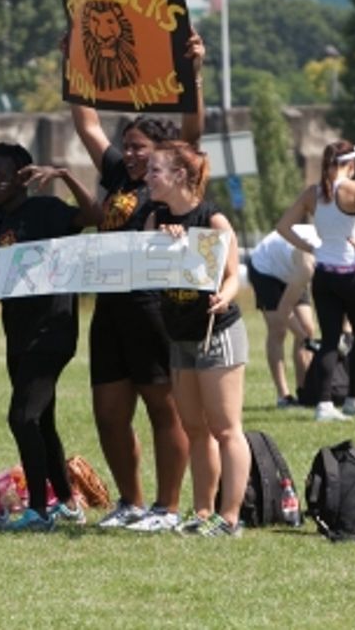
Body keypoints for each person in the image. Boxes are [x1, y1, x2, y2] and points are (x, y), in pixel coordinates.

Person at [68, 33, 204, 532]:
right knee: (108, 411)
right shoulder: (120, 175)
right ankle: (130, 502)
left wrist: (193, 71)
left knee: (162, 409)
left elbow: (193, 128)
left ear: (162, 153)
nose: (129, 155)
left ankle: (167, 508)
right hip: (109, 309)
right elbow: (85, 122)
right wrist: (74, 60)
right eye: (125, 146)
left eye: (139, 148)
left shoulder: (168, 178)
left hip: (152, 308)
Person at [0, 143, 101, 530]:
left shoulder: (46, 211)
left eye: (0, 176)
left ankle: (38, 509)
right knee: (42, 421)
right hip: (18, 334)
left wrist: (66, 176)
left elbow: (93, 215)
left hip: (51, 331)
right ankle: (67, 501)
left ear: (23, 178)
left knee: (22, 417)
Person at [144, 142, 249, 537]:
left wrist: (225, 296)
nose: (148, 178)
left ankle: (231, 517)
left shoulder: (214, 220)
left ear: (180, 177)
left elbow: (234, 274)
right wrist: (161, 236)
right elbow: (144, 259)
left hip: (217, 332)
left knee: (225, 428)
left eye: (156, 171)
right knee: (194, 428)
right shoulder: (155, 219)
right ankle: (203, 512)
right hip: (180, 335)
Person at [276, 140, 355, 422]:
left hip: (324, 275)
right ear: (350, 165)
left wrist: (312, 248)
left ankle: (324, 406)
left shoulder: (313, 193)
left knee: (329, 340)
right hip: (354, 275)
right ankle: (353, 400)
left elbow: (283, 227)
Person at [246, 225, 320, 408]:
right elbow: (282, 310)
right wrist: (305, 339)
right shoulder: (308, 264)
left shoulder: (334, 258)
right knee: (278, 329)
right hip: (265, 270)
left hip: (290, 271)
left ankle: (305, 392)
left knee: (308, 327)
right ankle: (283, 396)